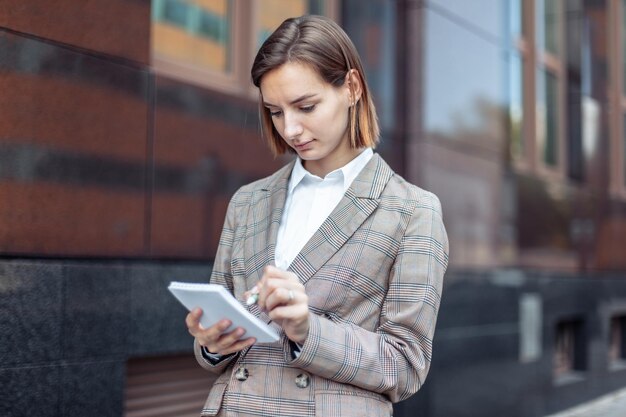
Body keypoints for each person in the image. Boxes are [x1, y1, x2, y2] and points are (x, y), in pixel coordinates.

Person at [185, 14, 449, 417]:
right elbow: (213, 347)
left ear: (352, 88)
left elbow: (406, 364)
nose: (290, 129)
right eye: (275, 111)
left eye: (305, 106)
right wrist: (211, 342)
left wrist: (308, 331)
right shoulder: (248, 201)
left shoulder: (412, 210)